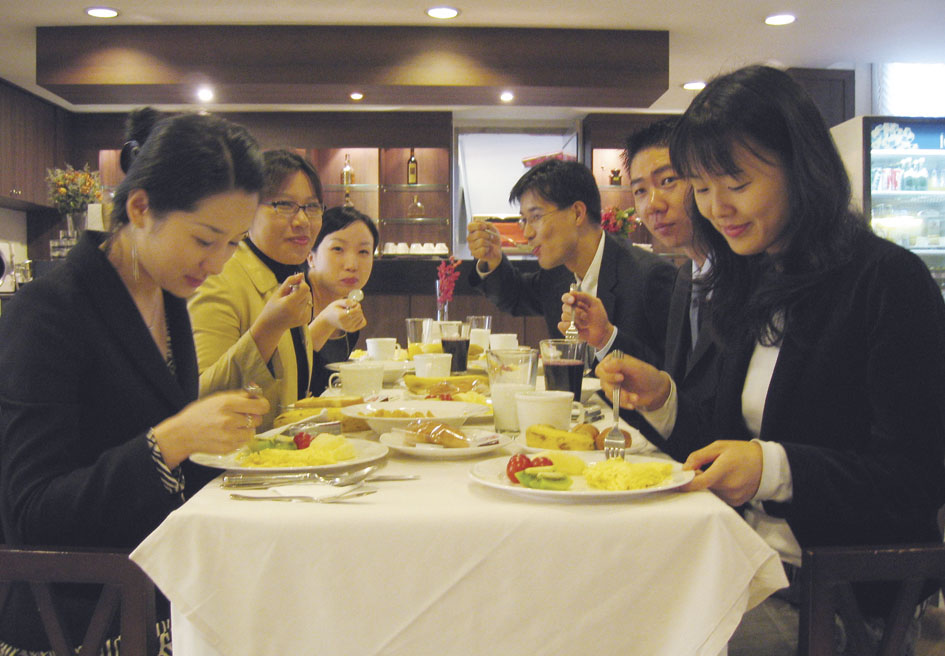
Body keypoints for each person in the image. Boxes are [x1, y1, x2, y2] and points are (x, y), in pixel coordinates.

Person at [597, 65, 945, 628]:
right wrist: (664, 398)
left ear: (802, 167)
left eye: (736, 184)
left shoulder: (886, 282)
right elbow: (727, 445)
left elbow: (915, 480)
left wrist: (775, 468)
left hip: (828, 598)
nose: (717, 208)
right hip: (740, 562)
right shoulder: (753, 278)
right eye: (702, 189)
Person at [0, 109, 269, 653]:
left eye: (234, 243)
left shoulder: (169, 300)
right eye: (205, 239)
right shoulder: (49, 312)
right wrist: (172, 439)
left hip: (153, 601)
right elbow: (32, 514)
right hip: (74, 625)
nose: (218, 263)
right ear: (140, 207)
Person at [467, 158, 674, 366]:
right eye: (524, 220)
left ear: (577, 213)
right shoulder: (558, 273)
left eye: (536, 217)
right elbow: (515, 296)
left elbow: (671, 373)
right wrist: (492, 258)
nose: (527, 233)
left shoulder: (649, 277)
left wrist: (607, 338)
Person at [189, 149, 323, 429]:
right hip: (233, 455)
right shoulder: (220, 277)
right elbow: (199, 398)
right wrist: (269, 329)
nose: (302, 221)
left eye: (312, 207)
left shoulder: (290, 276)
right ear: (247, 211)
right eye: (284, 205)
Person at [620, 117, 719, 455]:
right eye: (640, 191)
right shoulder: (685, 278)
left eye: (667, 181)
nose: (653, 205)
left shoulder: (749, 280)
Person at [306, 205, 377, 395]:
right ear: (310, 256)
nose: (352, 265)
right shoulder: (293, 298)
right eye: (338, 249)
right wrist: (325, 322)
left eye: (363, 252)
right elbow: (282, 371)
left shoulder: (349, 311)